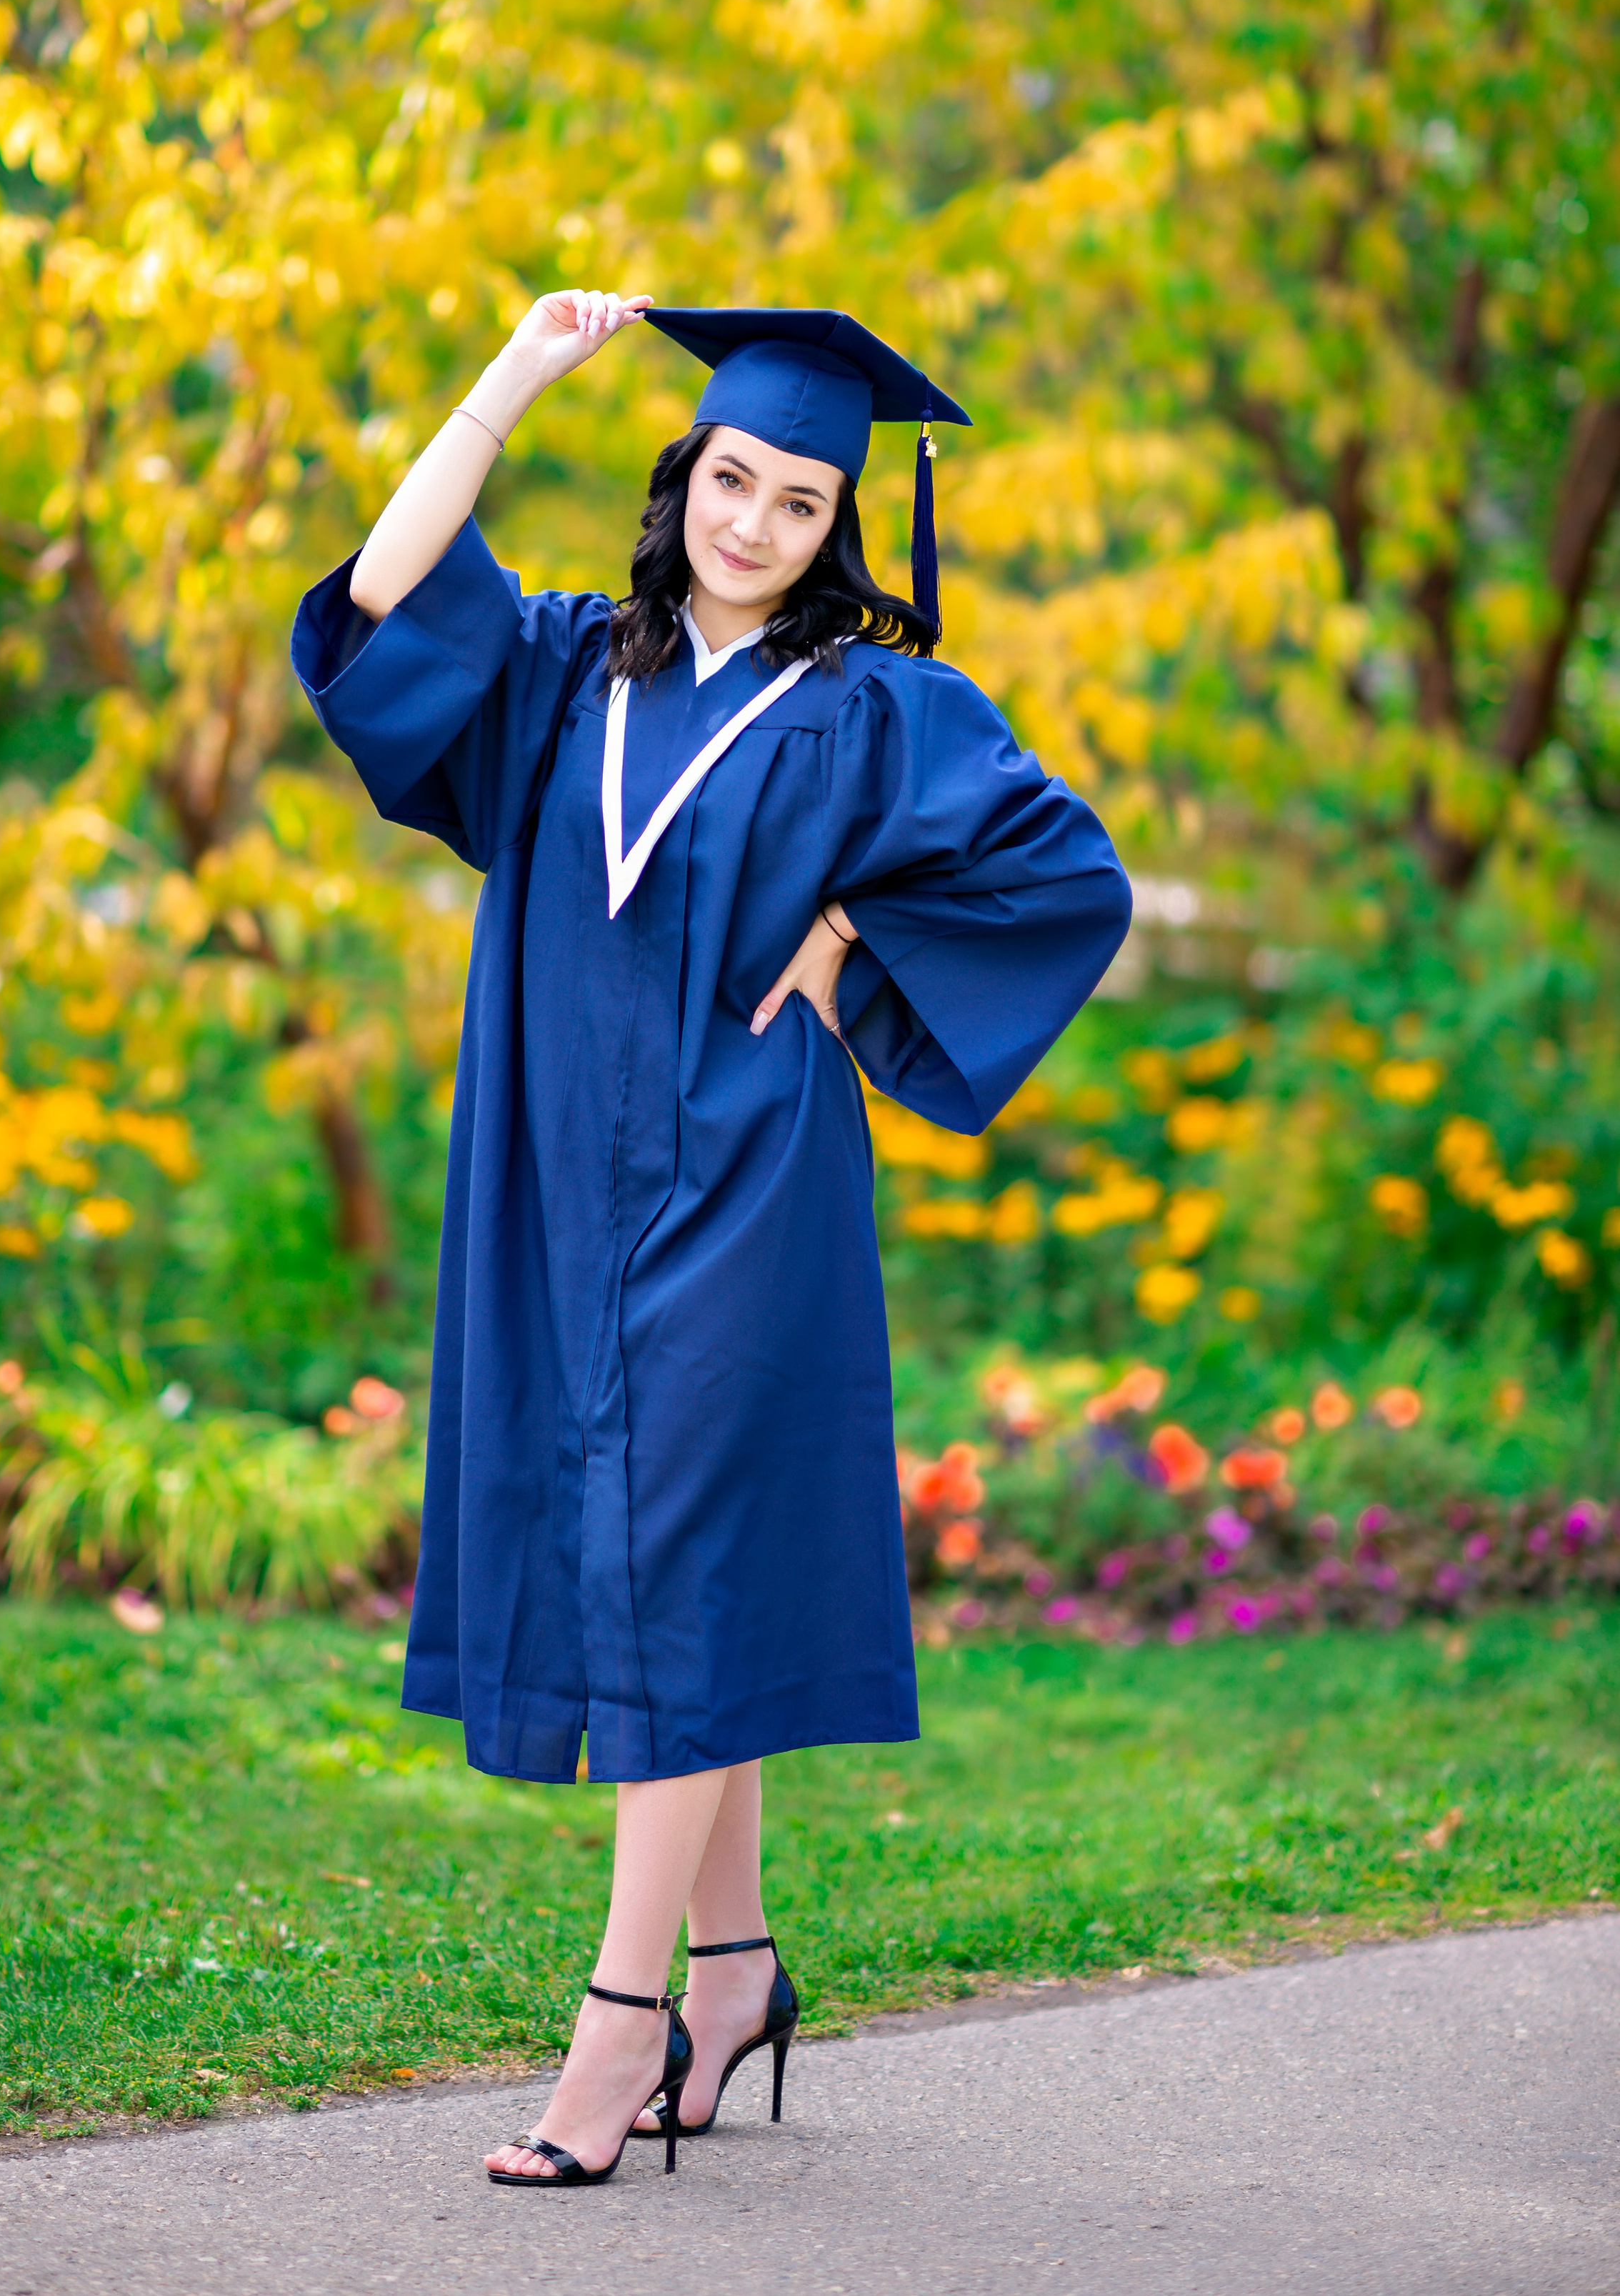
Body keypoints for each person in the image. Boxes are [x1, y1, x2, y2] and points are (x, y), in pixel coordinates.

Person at [291, 289, 1131, 2189]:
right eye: (733, 481)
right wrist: (511, 373)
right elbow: (373, 600)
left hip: (747, 1187)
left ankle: (618, 2028)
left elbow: (1068, 870)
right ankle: (737, 1971)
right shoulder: (564, 666)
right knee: (684, 1569)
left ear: (842, 528)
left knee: (667, 1571)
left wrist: (848, 948)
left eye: (803, 500)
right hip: (556, 1172)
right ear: (687, 480)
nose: (758, 523)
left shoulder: (868, 706)